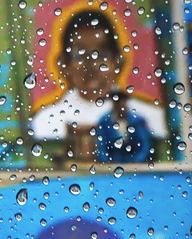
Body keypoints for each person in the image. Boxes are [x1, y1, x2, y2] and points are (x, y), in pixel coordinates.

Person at [30, 9, 167, 141]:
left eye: (102, 54)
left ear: (118, 62)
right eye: (79, 54)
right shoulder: (46, 122)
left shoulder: (149, 117)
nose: (92, 64)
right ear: (63, 64)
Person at [95, 90, 154, 163]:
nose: (120, 105)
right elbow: (101, 145)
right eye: (117, 102)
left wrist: (137, 160)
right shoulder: (104, 121)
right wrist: (107, 161)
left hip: (134, 162)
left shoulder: (137, 121)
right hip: (113, 162)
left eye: (122, 101)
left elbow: (144, 144)